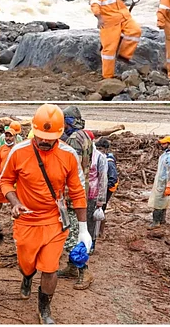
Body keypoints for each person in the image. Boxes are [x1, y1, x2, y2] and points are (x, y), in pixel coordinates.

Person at [0, 104, 91, 324]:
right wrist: (15, 202)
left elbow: (78, 192)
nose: (44, 141)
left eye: (50, 138)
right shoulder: (18, 152)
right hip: (26, 219)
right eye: (40, 136)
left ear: (60, 134)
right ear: (34, 130)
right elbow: (5, 181)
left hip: (54, 220)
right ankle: (27, 277)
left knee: (50, 268)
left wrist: (84, 229)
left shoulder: (68, 155)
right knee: (26, 264)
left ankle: (44, 309)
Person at [58, 105, 94, 290]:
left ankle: (84, 270)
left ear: (68, 121)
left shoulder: (73, 140)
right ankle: (72, 267)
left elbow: (72, 168)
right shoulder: (86, 136)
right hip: (82, 187)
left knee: (71, 235)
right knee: (72, 231)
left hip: (73, 193)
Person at [90, 0, 142, 79]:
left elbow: (118, 1)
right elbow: (95, 4)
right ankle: (108, 77)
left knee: (135, 31)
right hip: (109, 21)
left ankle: (124, 55)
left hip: (123, 16)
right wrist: (99, 18)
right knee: (109, 50)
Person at [0, 122, 23, 210]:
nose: (8, 138)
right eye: (6, 136)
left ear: (15, 137)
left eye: (10, 136)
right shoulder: (2, 148)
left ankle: (15, 216)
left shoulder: (19, 149)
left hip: (14, 180)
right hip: (2, 179)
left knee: (14, 200)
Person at [86, 142, 108, 253]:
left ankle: (91, 245)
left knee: (92, 222)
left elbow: (103, 179)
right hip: (80, 194)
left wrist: (101, 199)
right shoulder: (81, 154)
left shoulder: (99, 157)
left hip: (93, 195)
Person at [95, 137, 118, 239]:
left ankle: (100, 232)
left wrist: (104, 188)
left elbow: (113, 178)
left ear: (105, 149)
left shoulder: (109, 162)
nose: (99, 151)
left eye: (100, 149)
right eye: (97, 148)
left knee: (101, 208)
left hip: (107, 188)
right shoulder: (103, 158)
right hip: (104, 186)